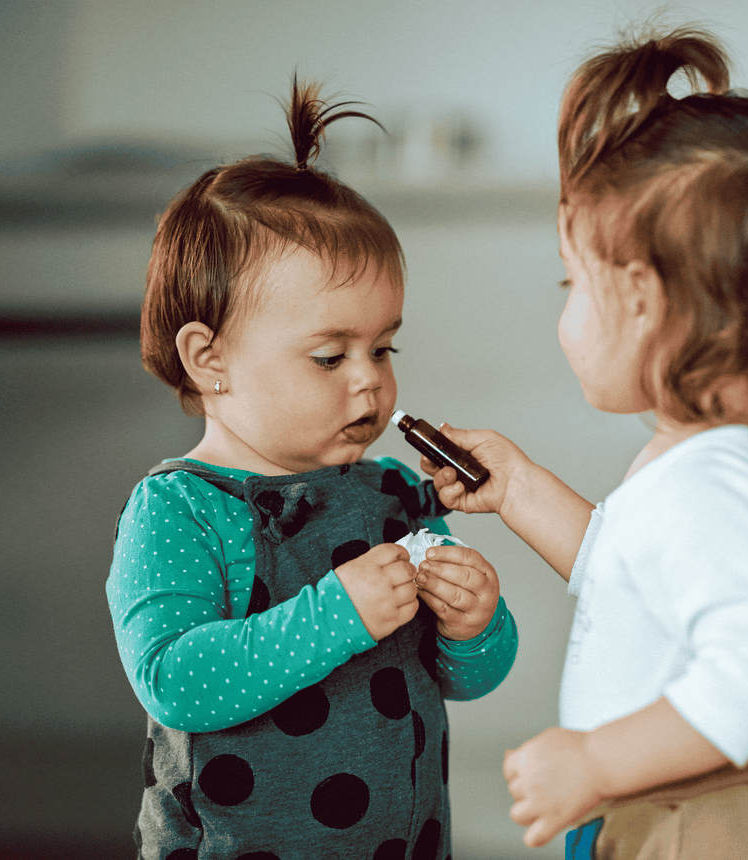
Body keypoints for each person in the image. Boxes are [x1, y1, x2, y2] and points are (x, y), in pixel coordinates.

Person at [421, 26, 748, 860]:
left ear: (640, 297)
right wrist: (521, 488)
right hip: (715, 805)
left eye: (573, 283)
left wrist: (596, 759)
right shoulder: (744, 451)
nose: (564, 311)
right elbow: (642, 582)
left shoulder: (706, 480)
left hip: (704, 820)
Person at [106, 76, 517, 860]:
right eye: (331, 355)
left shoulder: (395, 493)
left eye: (383, 348)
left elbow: (467, 677)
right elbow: (176, 680)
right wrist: (339, 614)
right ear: (209, 359)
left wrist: (475, 626)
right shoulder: (179, 510)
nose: (368, 378)